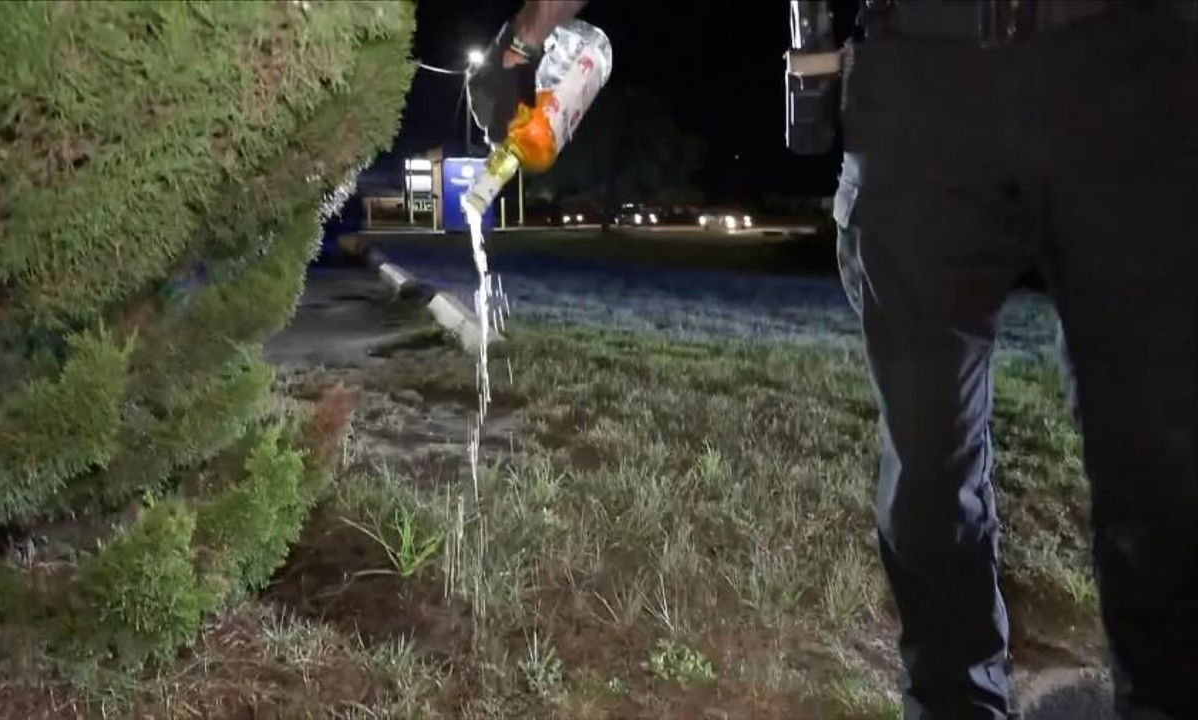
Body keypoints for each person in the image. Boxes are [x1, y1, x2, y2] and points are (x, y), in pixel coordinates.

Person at [469, 2, 1198, 718]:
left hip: (1131, 65)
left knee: (1158, 449)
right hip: (923, 78)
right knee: (928, 462)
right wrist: (524, 40)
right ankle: (953, 702)